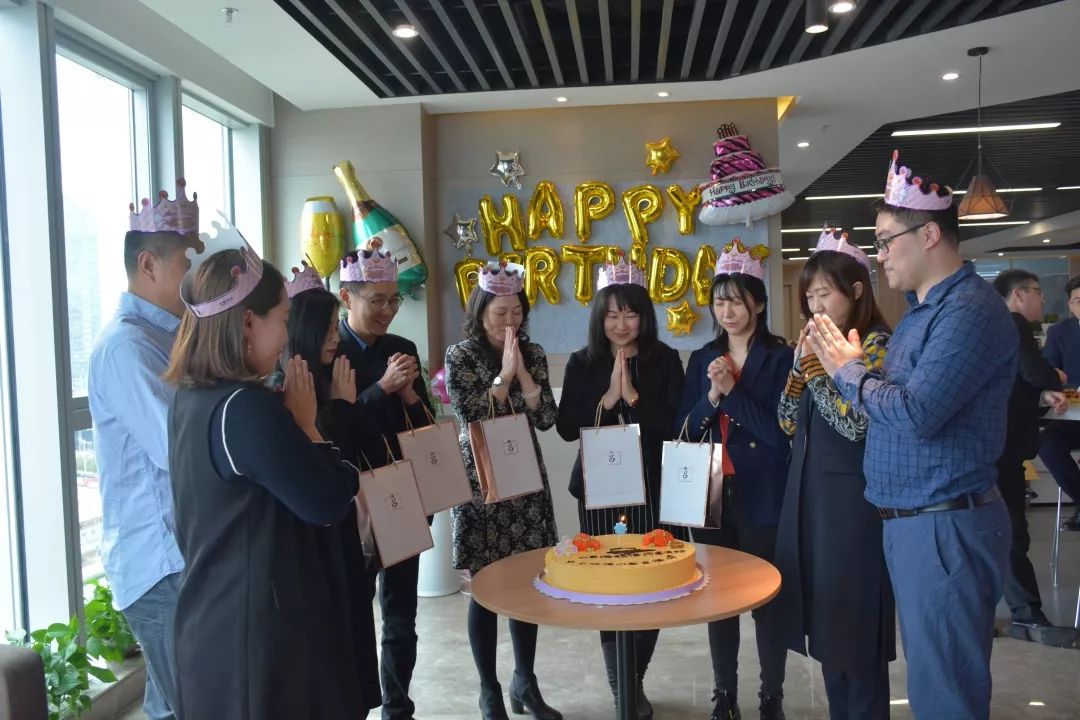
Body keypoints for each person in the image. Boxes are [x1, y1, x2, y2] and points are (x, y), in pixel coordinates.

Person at [808, 150, 1014, 719]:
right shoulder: (922, 312)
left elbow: (917, 412)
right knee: (931, 679)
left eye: (884, 241)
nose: (878, 255)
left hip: (945, 523)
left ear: (928, 235)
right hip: (914, 521)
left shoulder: (967, 311)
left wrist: (848, 370)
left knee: (945, 690)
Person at [164, 228, 364, 719]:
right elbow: (328, 500)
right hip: (254, 638)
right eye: (285, 319)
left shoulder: (192, 397)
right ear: (249, 321)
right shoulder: (245, 409)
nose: (288, 338)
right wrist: (308, 426)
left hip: (212, 621)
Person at [87, 181, 201, 720]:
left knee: (172, 703)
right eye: (187, 260)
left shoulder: (172, 336)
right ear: (148, 264)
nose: (196, 273)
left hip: (178, 553)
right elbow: (176, 450)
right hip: (160, 559)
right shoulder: (128, 345)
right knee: (194, 701)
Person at [555, 255, 687, 720]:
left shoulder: (666, 360)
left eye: (630, 313)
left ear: (644, 315)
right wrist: (608, 400)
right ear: (600, 318)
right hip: (600, 491)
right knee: (608, 586)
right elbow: (566, 428)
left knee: (652, 583)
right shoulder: (582, 362)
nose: (621, 324)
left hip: (653, 489)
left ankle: (634, 679)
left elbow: (675, 425)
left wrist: (633, 398)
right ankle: (622, 690)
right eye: (612, 315)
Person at [773, 230, 894, 720]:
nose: (815, 305)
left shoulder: (877, 346)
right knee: (827, 626)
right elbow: (786, 422)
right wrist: (799, 370)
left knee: (856, 630)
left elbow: (856, 424)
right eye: (810, 296)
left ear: (857, 290)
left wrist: (819, 372)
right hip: (812, 500)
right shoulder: (815, 348)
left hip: (854, 506)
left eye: (825, 293)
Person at [676, 240, 791, 720]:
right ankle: (724, 694)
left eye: (737, 302)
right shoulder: (702, 356)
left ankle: (771, 695)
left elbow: (780, 434)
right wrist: (711, 396)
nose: (727, 312)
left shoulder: (780, 357)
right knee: (717, 598)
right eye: (719, 302)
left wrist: (733, 392)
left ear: (758, 304)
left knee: (769, 600)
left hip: (763, 494)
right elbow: (685, 430)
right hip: (710, 495)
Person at [445, 262, 562, 720]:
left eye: (516, 312)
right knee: (486, 586)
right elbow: (469, 413)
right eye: (499, 313)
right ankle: (488, 689)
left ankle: (525, 682)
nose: (509, 321)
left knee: (525, 585)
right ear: (480, 313)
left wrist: (524, 375)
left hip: (524, 479)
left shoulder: (533, 353)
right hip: (480, 481)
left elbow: (547, 419)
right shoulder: (460, 356)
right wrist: (502, 378)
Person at [271, 259, 384, 712]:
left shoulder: (335, 376)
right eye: (327, 328)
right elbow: (318, 467)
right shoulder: (284, 391)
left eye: (336, 326)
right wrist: (337, 409)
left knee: (356, 632)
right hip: (315, 541)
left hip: (348, 534)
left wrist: (346, 405)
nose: (335, 336)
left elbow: (367, 452)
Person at [337, 240, 433, 720]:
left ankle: (398, 706)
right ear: (346, 297)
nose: (388, 311)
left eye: (394, 300)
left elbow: (425, 424)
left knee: (401, 615)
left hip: (402, 494)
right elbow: (332, 427)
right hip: (351, 502)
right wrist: (380, 389)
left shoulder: (402, 349)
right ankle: (356, 703)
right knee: (354, 612)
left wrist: (410, 393)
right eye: (376, 301)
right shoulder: (329, 352)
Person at [992, 270, 1077, 647]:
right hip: (1002, 444)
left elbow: (1014, 380)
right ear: (1018, 295)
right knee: (1011, 530)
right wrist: (1052, 379)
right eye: (1038, 292)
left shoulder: (993, 326)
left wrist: (1042, 394)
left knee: (1004, 529)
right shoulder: (1013, 323)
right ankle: (1027, 615)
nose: (1043, 300)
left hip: (994, 443)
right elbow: (1033, 370)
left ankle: (1019, 613)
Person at [1038, 274, 1080, 531]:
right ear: (1070, 304)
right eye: (1078, 300)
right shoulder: (1060, 332)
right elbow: (1048, 373)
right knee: (1047, 443)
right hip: (1074, 412)